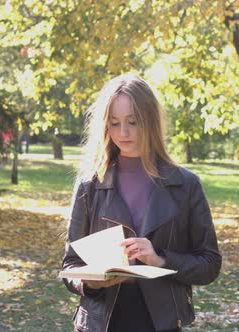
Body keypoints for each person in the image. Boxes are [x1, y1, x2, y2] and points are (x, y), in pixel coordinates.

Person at [61, 73, 221, 332]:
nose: (123, 133)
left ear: (151, 121)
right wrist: (92, 282)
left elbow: (209, 264)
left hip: (161, 321)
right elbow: (70, 267)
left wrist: (160, 260)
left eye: (133, 122)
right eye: (114, 123)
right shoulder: (89, 185)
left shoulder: (185, 185)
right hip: (101, 322)